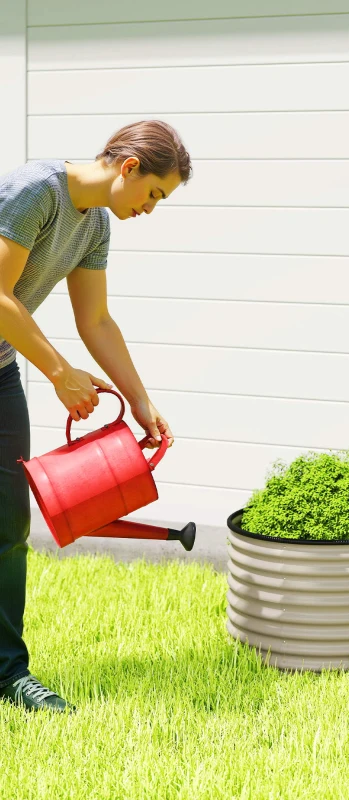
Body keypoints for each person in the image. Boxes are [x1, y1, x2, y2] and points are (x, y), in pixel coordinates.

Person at [0, 120, 192, 713]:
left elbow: (97, 321)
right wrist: (60, 373)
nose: (150, 209)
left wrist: (140, 400)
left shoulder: (96, 224)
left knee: (8, 525)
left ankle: (8, 671)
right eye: (153, 194)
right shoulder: (35, 191)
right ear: (129, 167)